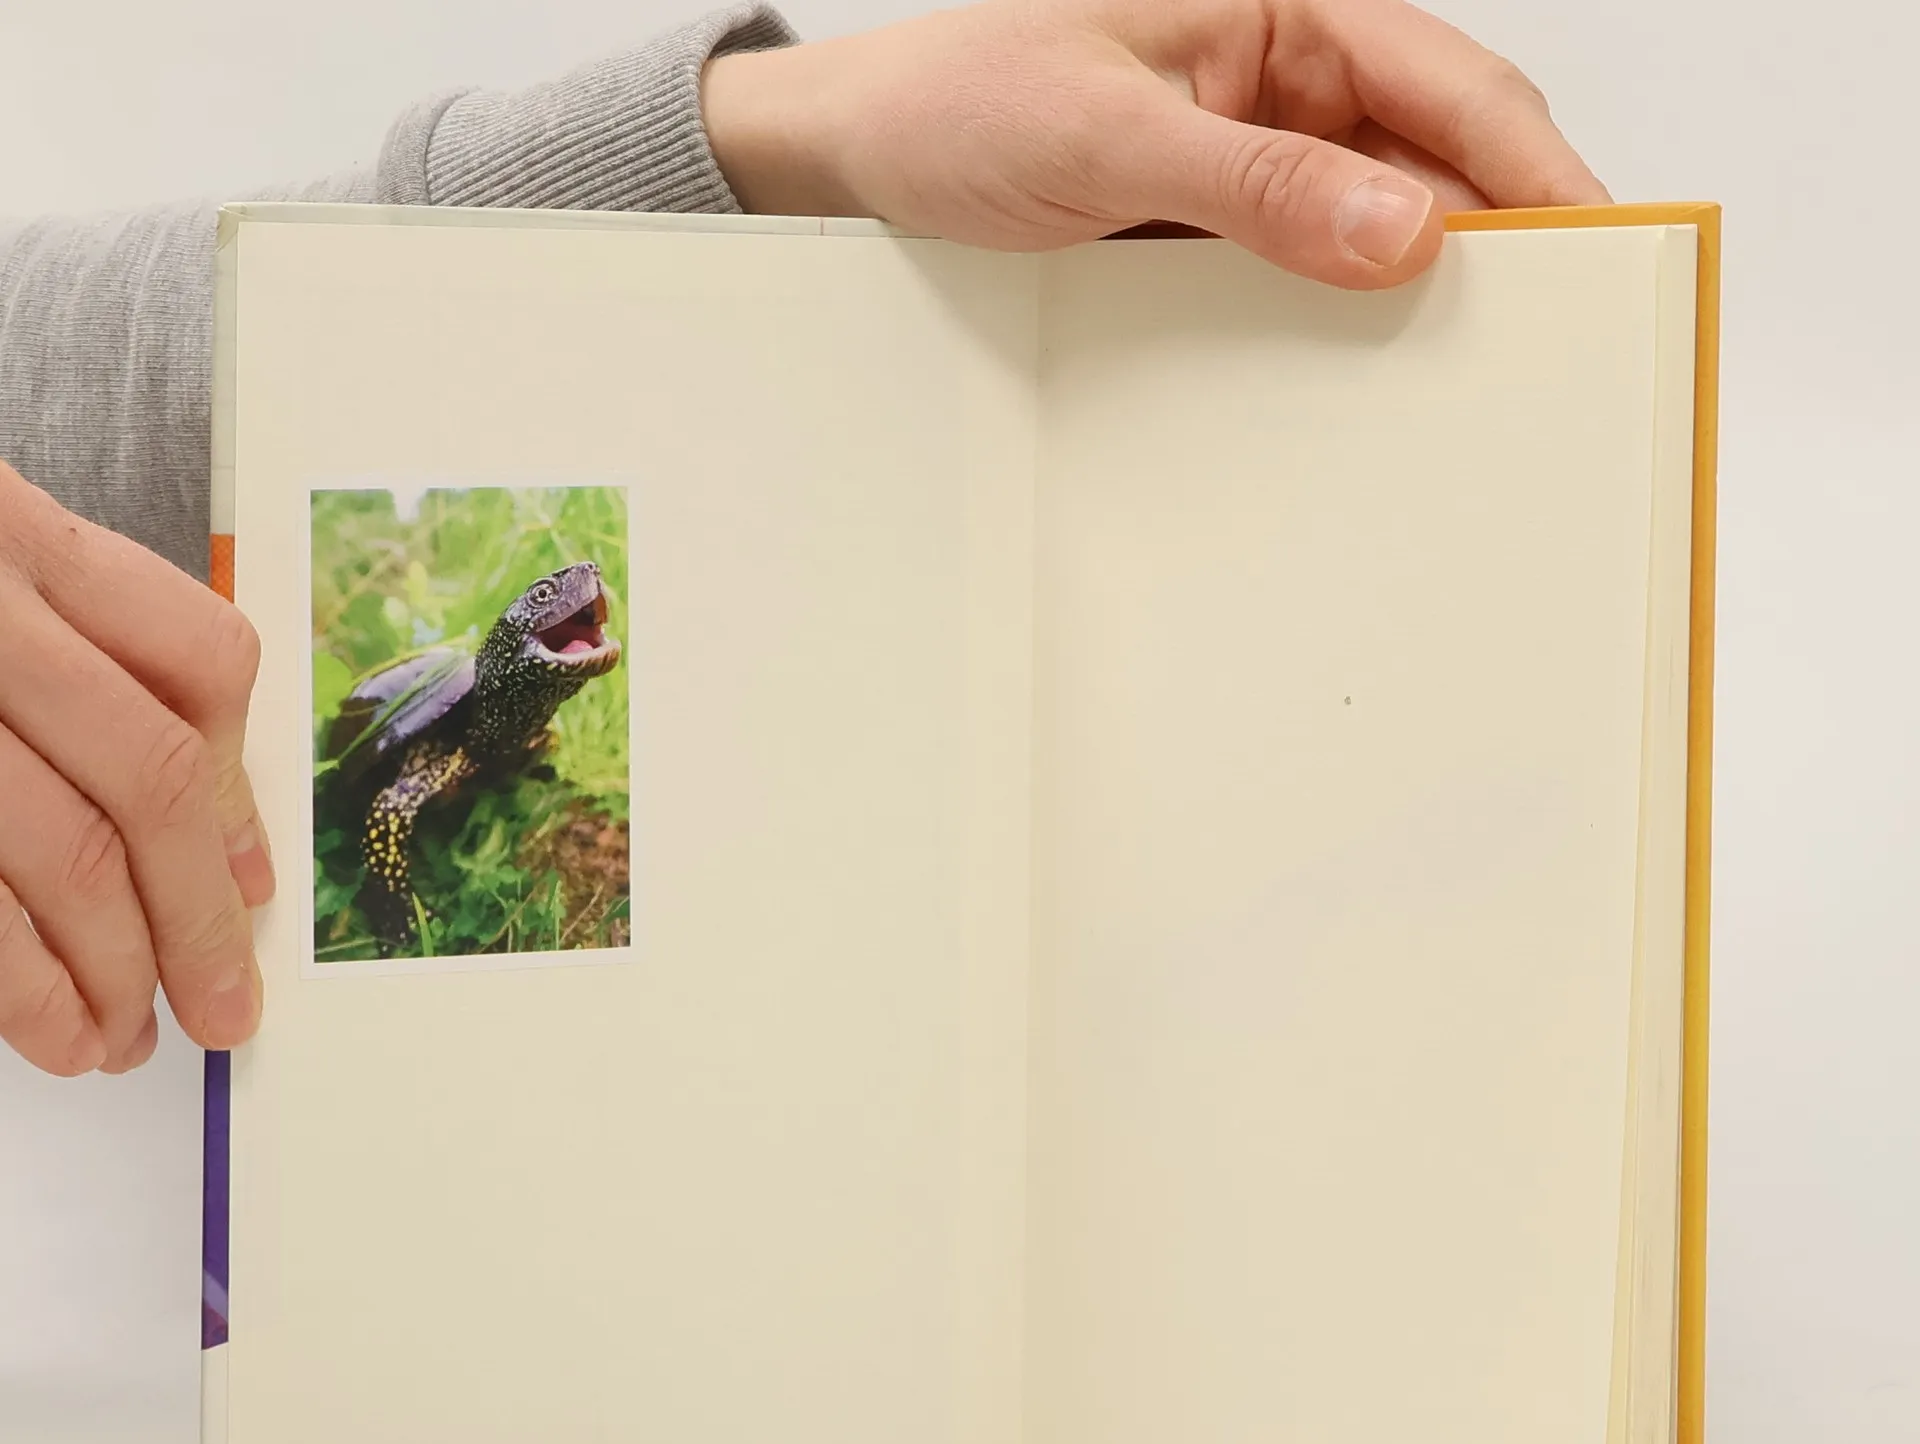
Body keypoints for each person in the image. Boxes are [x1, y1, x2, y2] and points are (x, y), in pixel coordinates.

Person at [0, 0, 1605, 1080]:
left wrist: (780, 134)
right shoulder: (447, 721)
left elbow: (132, 369)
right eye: (554, 616)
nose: (580, 617)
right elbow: (382, 807)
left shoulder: (533, 718)